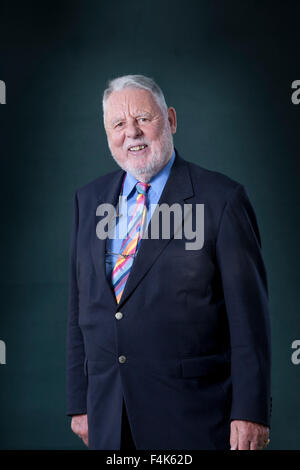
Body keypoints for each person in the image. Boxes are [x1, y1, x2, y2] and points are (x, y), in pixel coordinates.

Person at [66, 74, 272, 450]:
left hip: (193, 416)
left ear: (171, 120)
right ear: (108, 133)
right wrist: (79, 401)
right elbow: (80, 309)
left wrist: (251, 410)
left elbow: (250, 321)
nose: (132, 132)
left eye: (144, 118)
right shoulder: (89, 200)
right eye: (118, 124)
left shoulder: (222, 200)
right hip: (109, 414)